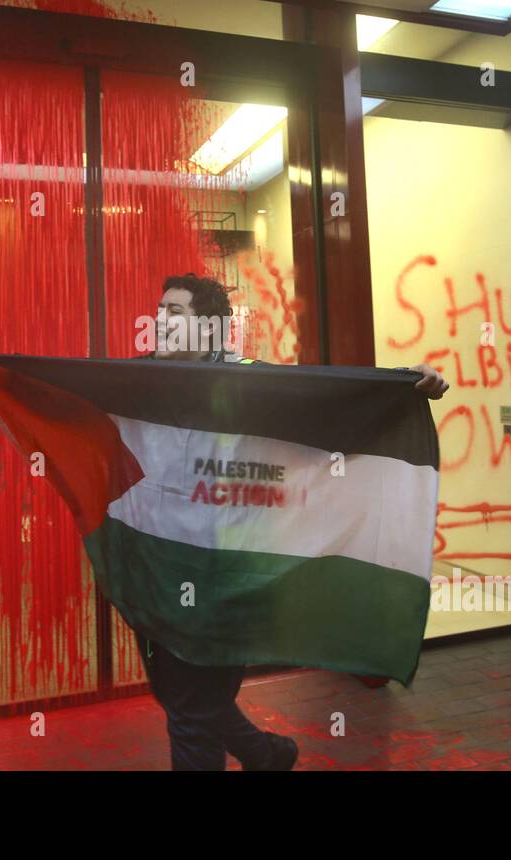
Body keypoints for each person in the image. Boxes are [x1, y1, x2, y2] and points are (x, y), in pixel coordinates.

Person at [136, 273, 449, 770]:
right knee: (181, 694)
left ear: (212, 329)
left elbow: (328, 398)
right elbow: (62, 388)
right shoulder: (133, 379)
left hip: (224, 576)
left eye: (175, 312)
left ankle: (260, 753)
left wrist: (403, 384)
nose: (159, 320)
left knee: (190, 711)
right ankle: (266, 754)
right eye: (159, 309)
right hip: (159, 569)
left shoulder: (251, 380)